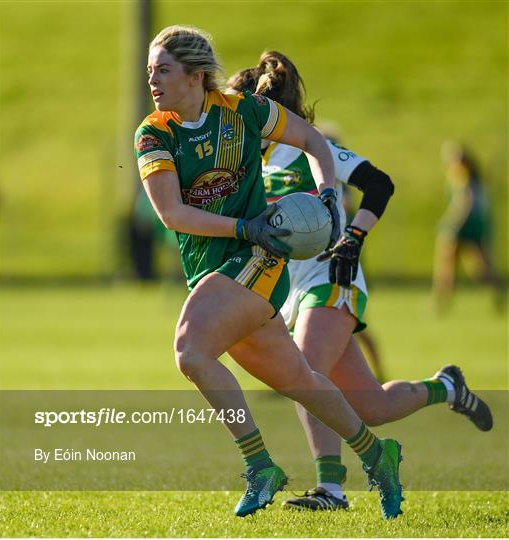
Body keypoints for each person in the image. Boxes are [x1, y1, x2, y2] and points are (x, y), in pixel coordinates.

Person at [135, 26, 404, 519]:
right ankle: (377, 454)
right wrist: (246, 224)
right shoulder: (154, 133)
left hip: (258, 262)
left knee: (190, 351)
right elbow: (173, 214)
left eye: (163, 70)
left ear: (194, 76)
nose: (152, 80)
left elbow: (313, 140)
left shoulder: (244, 111)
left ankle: (259, 464)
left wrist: (327, 194)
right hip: (214, 269)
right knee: (300, 380)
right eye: (150, 71)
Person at [227, 52, 493, 512]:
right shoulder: (247, 158)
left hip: (333, 273)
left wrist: (353, 236)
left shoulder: (310, 147)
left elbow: (380, 185)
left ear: (261, 108)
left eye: (237, 106)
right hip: (291, 291)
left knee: (303, 370)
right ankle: (447, 387)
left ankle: (331, 491)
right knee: (370, 406)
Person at [432, 141, 504, 313]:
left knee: (475, 270)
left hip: (466, 226)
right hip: (471, 225)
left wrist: (451, 223)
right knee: (448, 265)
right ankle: (440, 303)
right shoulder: (468, 176)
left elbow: (465, 202)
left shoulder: (462, 176)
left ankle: (501, 289)